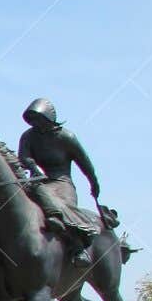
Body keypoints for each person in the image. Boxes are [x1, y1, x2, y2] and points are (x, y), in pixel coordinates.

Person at [17, 97, 100, 265]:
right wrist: (33, 167)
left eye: (39, 119)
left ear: (48, 118)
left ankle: (78, 247)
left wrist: (94, 183)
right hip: (37, 182)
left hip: (61, 183)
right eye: (32, 120)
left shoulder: (66, 137)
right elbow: (23, 157)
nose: (36, 124)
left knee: (60, 204)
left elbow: (85, 163)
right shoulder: (28, 136)